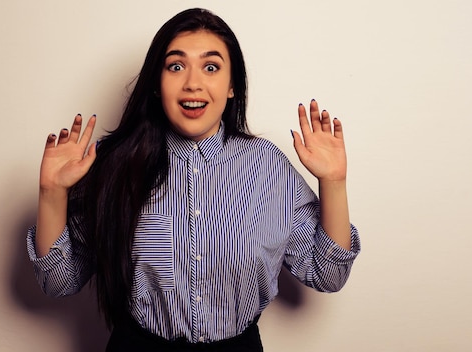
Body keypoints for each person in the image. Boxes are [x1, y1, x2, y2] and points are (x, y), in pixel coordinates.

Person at [27, 7, 360, 352]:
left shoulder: (269, 168)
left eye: (211, 67)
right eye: (176, 66)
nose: (193, 83)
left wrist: (333, 182)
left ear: (232, 86)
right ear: (157, 83)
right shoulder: (113, 164)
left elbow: (328, 275)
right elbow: (58, 281)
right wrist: (52, 191)